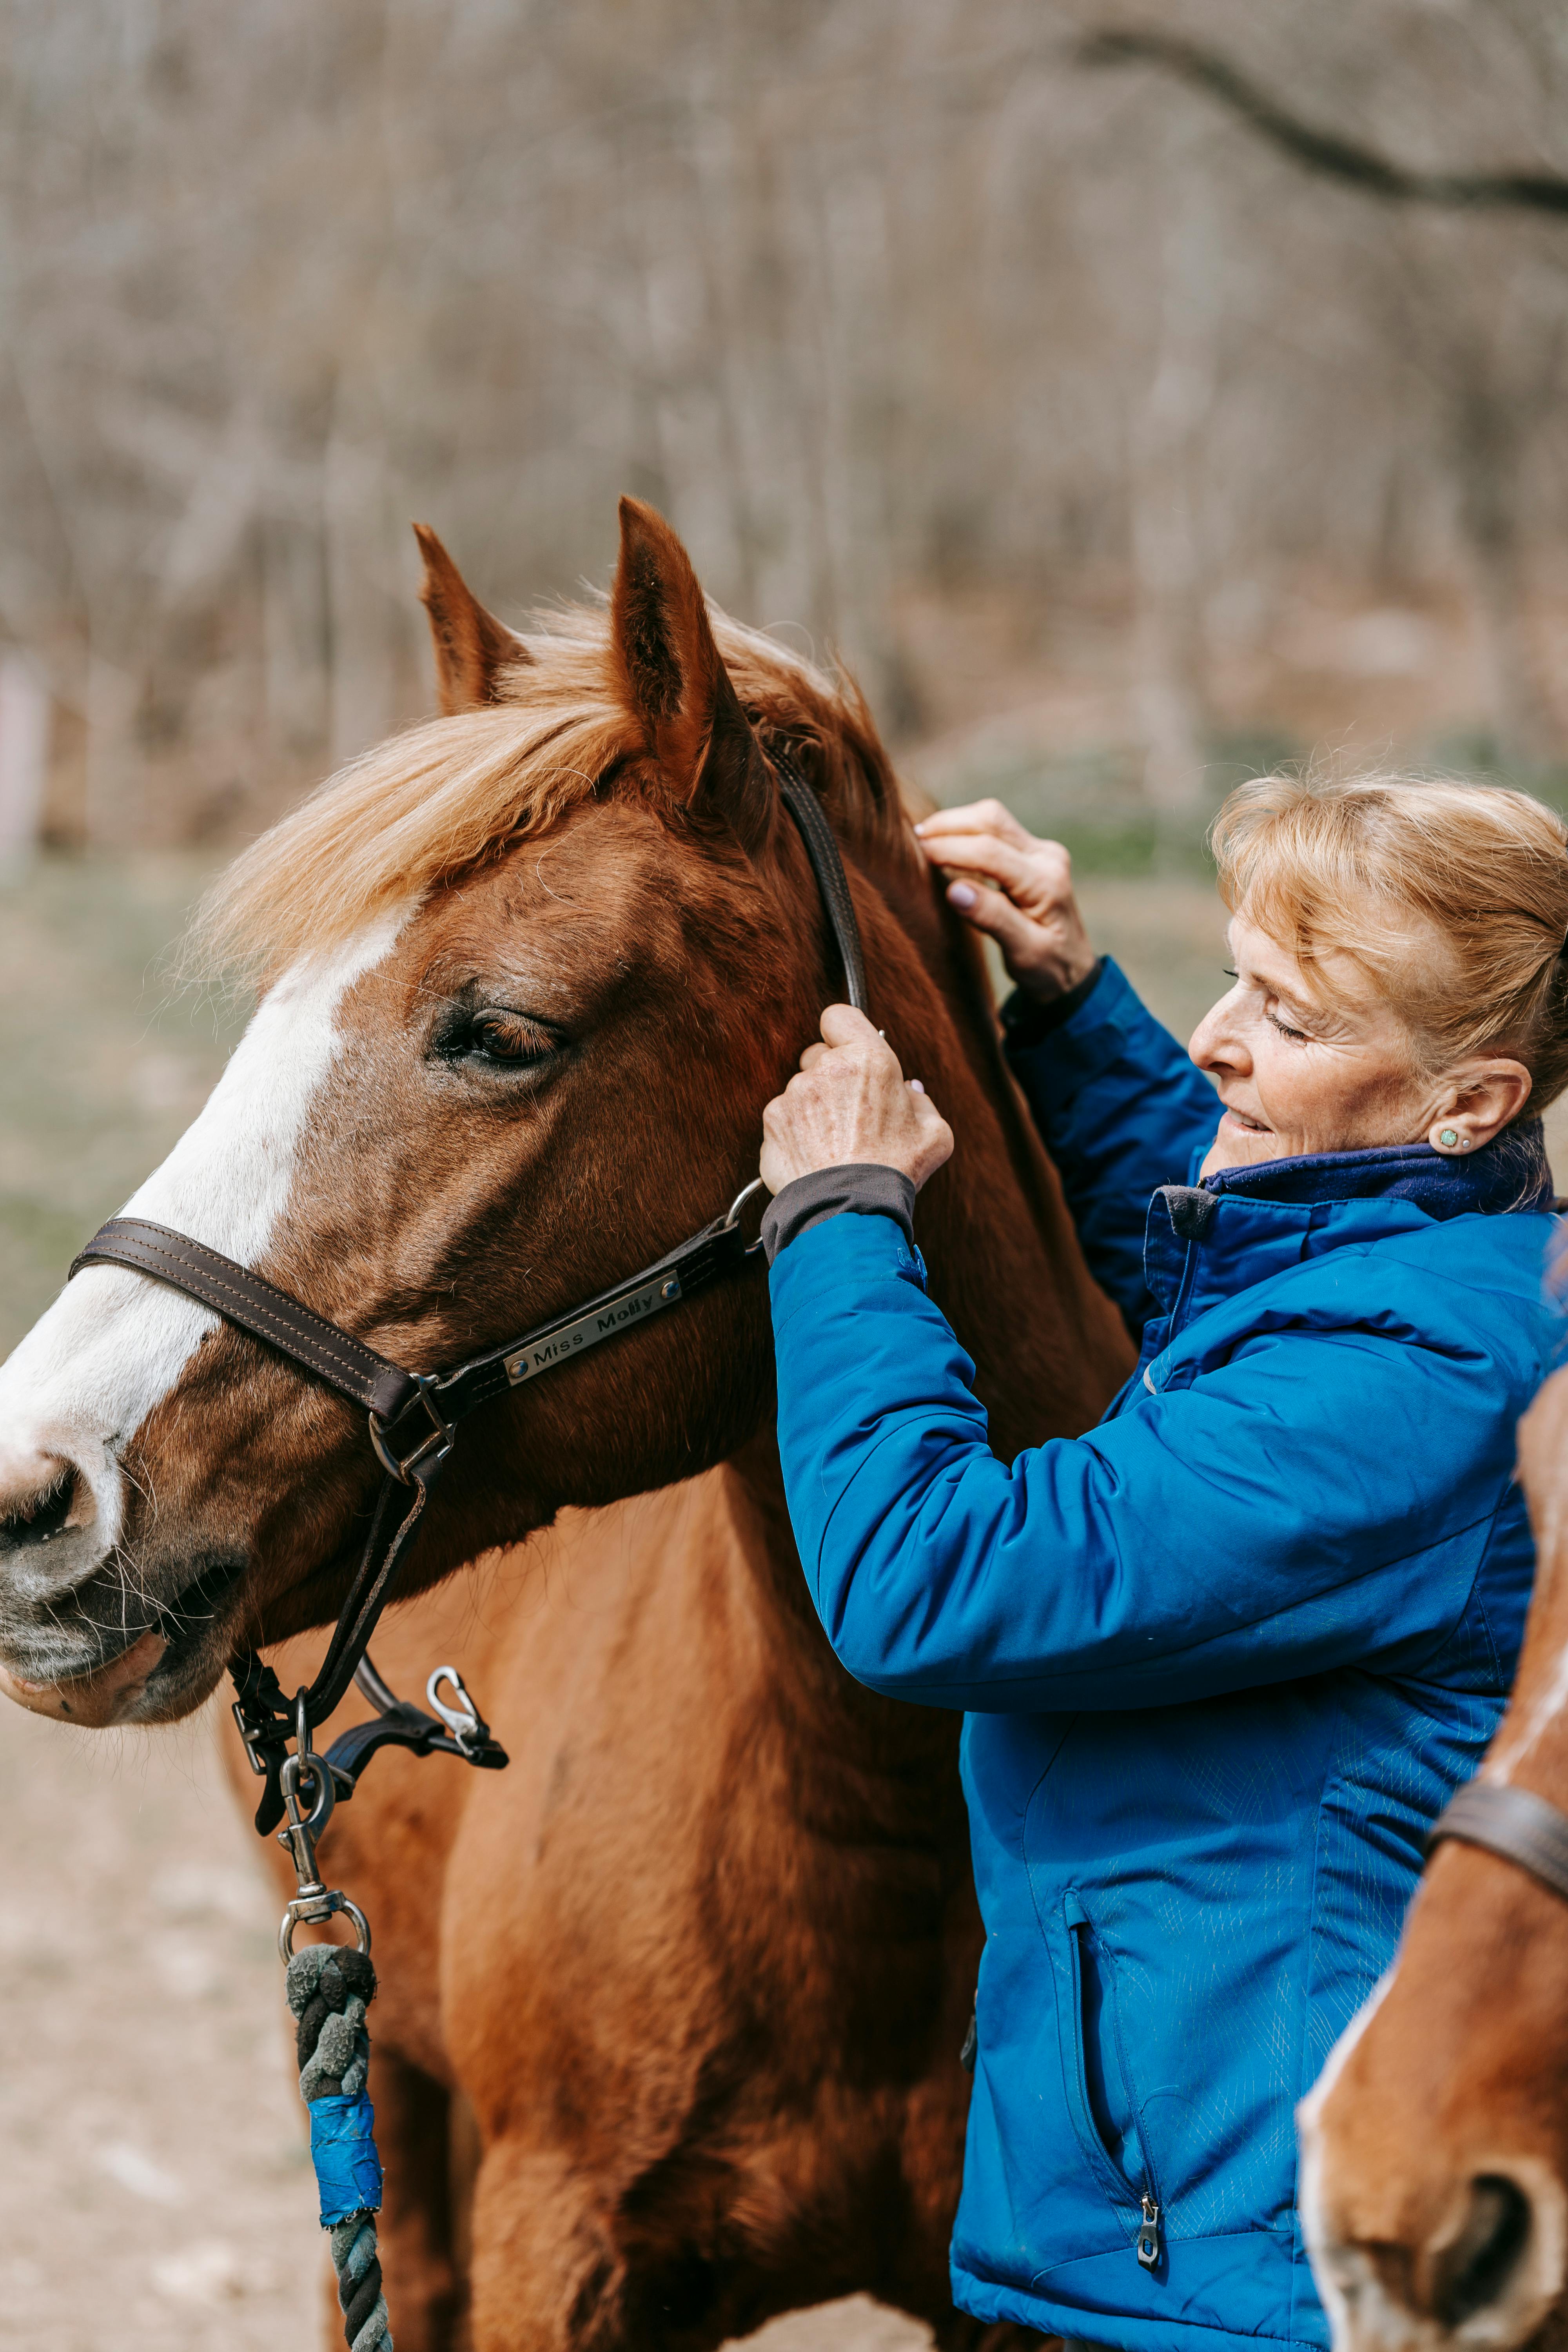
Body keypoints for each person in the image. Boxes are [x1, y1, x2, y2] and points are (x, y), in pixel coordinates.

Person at [756, 772, 1568, 2352]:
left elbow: (933, 1580)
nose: (1219, 1039)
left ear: (1469, 1103)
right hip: (1183, 2220)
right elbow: (1247, 1262)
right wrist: (1066, 1001)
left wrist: (839, 1212)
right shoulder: (1442, 1260)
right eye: (1232, 980)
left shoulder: (1415, 1380)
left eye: (1290, 1014)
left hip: (1248, 2273)